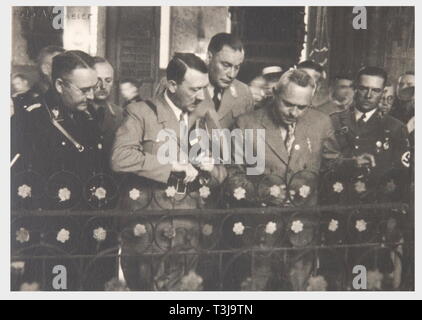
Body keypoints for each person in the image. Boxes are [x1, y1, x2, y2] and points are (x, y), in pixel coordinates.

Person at [111, 53, 227, 291]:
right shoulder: (141, 112)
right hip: (151, 232)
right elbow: (119, 158)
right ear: (172, 85)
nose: (201, 96)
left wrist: (211, 167)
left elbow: (223, 173)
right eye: (194, 89)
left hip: (192, 233)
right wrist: (171, 164)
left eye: (204, 88)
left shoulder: (205, 115)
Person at [227, 69, 342, 290]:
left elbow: (332, 164)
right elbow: (233, 173)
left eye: (302, 107)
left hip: (304, 230)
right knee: (254, 288)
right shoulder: (246, 124)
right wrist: (263, 193)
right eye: (288, 104)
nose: (294, 113)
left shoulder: (320, 123)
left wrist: (353, 163)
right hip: (260, 229)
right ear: (275, 93)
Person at [12, 50, 115, 290]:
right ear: (59, 84)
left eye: (93, 87)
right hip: (48, 234)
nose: (91, 95)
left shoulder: (86, 116)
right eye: (84, 89)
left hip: (86, 230)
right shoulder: (31, 119)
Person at [191, 33, 255, 130]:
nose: (231, 75)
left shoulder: (244, 93)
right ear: (209, 58)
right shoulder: (185, 85)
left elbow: (247, 137)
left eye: (237, 67)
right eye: (226, 65)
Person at [92, 56, 124, 158]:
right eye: (98, 80)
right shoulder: (76, 113)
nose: (103, 86)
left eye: (108, 80)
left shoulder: (120, 115)